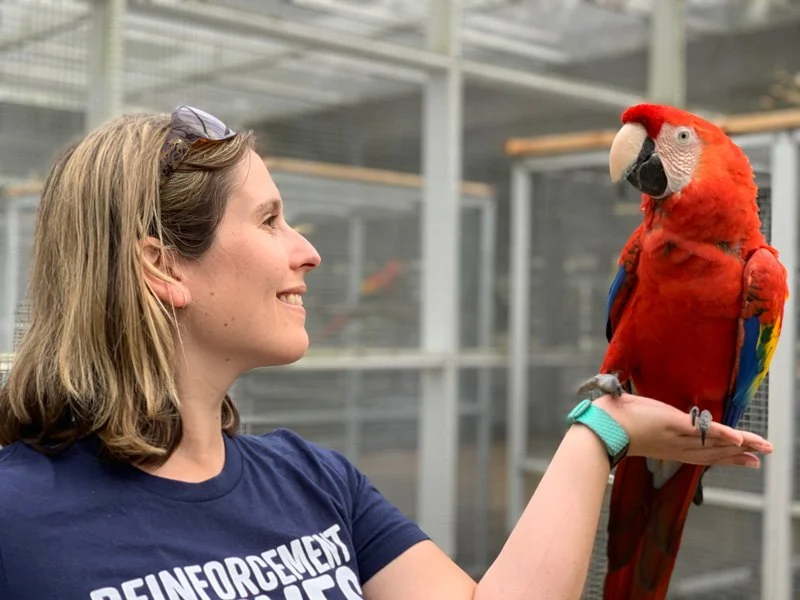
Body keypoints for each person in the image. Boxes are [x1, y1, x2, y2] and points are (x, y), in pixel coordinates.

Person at [0, 106, 772, 600]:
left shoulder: (314, 482)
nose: (308, 252)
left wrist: (601, 428)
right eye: (270, 220)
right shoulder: (17, 517)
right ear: (162, 266)